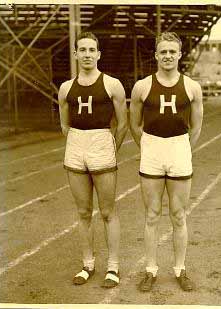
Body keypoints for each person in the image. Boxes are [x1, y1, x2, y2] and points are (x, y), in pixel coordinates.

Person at [129, 32, 203, 292]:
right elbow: (134, 124)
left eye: (173, 51)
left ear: (180, 54)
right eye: (163, 52)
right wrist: (149, 146)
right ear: (156, 55)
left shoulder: (192, 87)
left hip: (179, 148)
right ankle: (150, 270)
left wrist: (181, 149)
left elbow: (196, 127)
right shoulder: (142, 86)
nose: (168, 56)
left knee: (178, 215)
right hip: (152, 148)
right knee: (151, 214)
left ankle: (180, 269)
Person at [58, 32, 127, 288]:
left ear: (98, 54)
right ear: (76, 54)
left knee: (108, 211)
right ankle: (88, 264)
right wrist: (79, 143)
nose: (87, 54)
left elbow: (122, 124)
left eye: (91, 50)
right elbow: (65, 124)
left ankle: (113, 267)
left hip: (101, 142)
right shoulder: (66, 87)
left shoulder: (112, 84)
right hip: (76, 144)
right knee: (83, 211)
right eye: (82, 50)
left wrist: (110, 149)